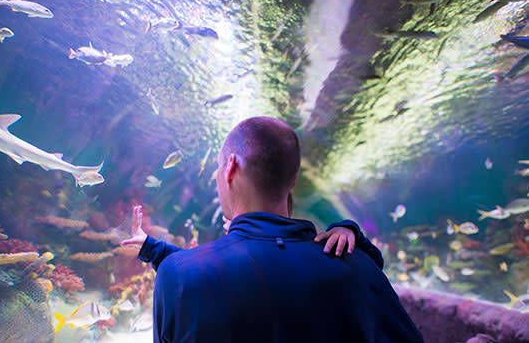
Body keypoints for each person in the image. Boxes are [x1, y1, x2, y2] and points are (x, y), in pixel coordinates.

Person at [125, 117, 424, 343]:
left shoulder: (177, 277)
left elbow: (218, 277)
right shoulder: (358, 266)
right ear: (292, 181)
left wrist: (158, 253)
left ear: (230, 167)